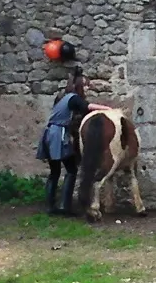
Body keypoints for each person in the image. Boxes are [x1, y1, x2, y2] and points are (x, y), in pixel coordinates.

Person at [36, 66, 112, 216]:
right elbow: (88, 107)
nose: (86, 88)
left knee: (55, 171)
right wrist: (108, 109)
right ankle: (65, 206)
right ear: (79, 86)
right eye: (85, 85)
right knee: (71, 169)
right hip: (58, 134)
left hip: (49, 133)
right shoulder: (73, 98)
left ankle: (51, 206)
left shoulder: (62, 97)